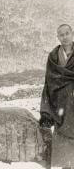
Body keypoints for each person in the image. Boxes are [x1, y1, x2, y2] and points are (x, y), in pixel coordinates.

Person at [40, 24, 74, 169]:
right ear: (57, 37)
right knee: (63, 135)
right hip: (59, 103)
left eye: (67, 33)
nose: (64, 37)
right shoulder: (53, 56)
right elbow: (49, 81)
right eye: (61, 34)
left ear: (72, 34)